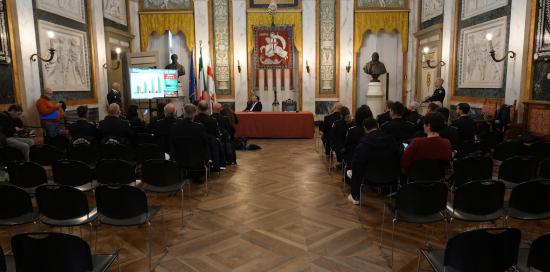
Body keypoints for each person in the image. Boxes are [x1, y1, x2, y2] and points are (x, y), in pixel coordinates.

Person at [348, 118, 401, 205]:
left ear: (365, 128)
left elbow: (356, 166)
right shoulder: (391, 140)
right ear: (378, 126)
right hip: (392, 177)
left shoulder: (363, 145)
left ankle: (355, 197)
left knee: (356, 169)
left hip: (370, 178)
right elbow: (398, 156)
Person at [170, 104, 209, 180]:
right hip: (197, 162)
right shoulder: (200, 127)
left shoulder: (174, 127)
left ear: (183, 112)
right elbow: (205, 145)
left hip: (180, 161)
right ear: (195, 113)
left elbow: (172, 145)